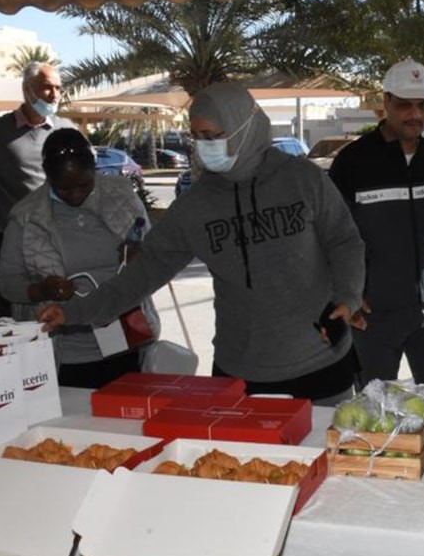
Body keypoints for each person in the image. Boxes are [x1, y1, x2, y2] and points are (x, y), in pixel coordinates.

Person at [36, 81, 366, 403]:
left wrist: (348, 297)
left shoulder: (302, 179)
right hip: (240, 373)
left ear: (242, 127)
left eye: (212, 136)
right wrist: (73, 312)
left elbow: (344, 241)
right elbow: (141, 275)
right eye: (197, 137)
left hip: (319, 364)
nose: (204, 146)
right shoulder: (195, 206)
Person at [328, 59, 424, 406]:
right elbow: (328, 236)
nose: (415, 114)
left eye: (422, 105)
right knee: (375, 409)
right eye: (405, 105)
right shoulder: (352, 162)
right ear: (386, 102)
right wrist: (347, 294)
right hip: (373, 316)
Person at [0, 129, 154, 389]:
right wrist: (41, 290)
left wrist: (140, 256)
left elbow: (154, 252)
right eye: (64, 188)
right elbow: (6, 282)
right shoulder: (26, 216)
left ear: (94, 169)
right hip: (65, 351)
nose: (75, 195)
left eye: (84, 185)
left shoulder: (122, 195)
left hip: (126, 339)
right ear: (48, 176)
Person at [0, 62, 72, 316]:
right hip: (11, 241)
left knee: (58, 315)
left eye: (58, 88)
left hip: (59, 238)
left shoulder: (66, 129)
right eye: (47, 87)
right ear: (27, 89)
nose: (54, 94)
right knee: (9, 317)